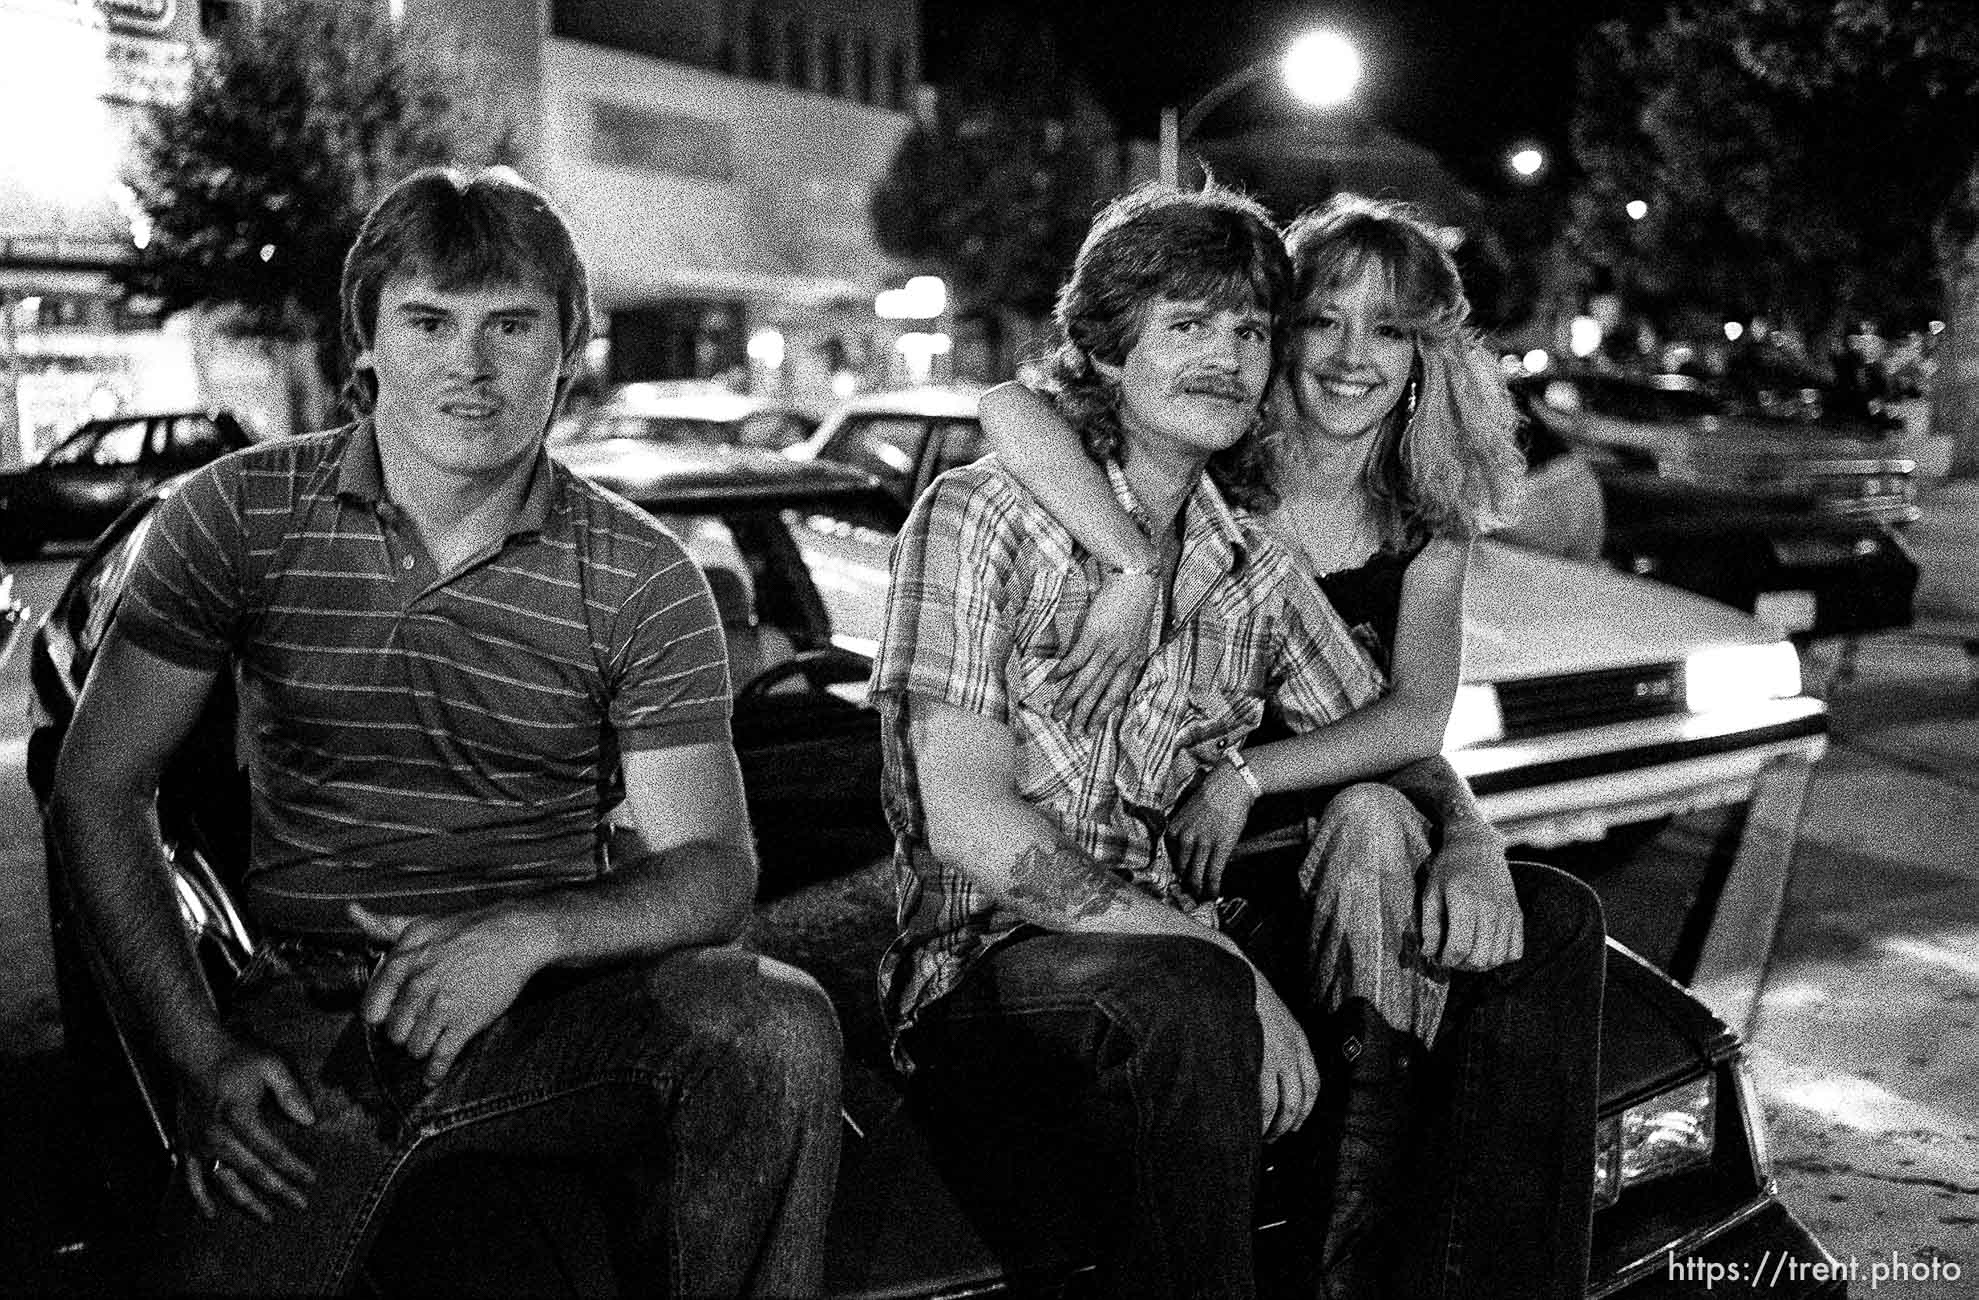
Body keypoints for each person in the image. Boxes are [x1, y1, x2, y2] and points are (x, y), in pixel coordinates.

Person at [50, 166, 841, 1296]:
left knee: (775, 1024)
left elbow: (716, 870)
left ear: (568, 347)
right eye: (429, 321)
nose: (469, 365)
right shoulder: (235, 515)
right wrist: (200, 1052)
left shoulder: (640, 573)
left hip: (556, 1010)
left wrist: (525, 935)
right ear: (363, 341)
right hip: (317, 1023)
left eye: (510, 324)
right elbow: (97, 787)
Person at [873, 181, 1604, 1300]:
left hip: (1195, 913)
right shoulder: (985, 515)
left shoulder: (1250, 565)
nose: (1224, 355)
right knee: (1183, 998)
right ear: (1110, 354)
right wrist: (1211, 957)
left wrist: (1471, 838)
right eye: (1187, 325)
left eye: (1248, 329)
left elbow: (1394, 733)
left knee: (1549, 918)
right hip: (993, 954)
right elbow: (970, 824)